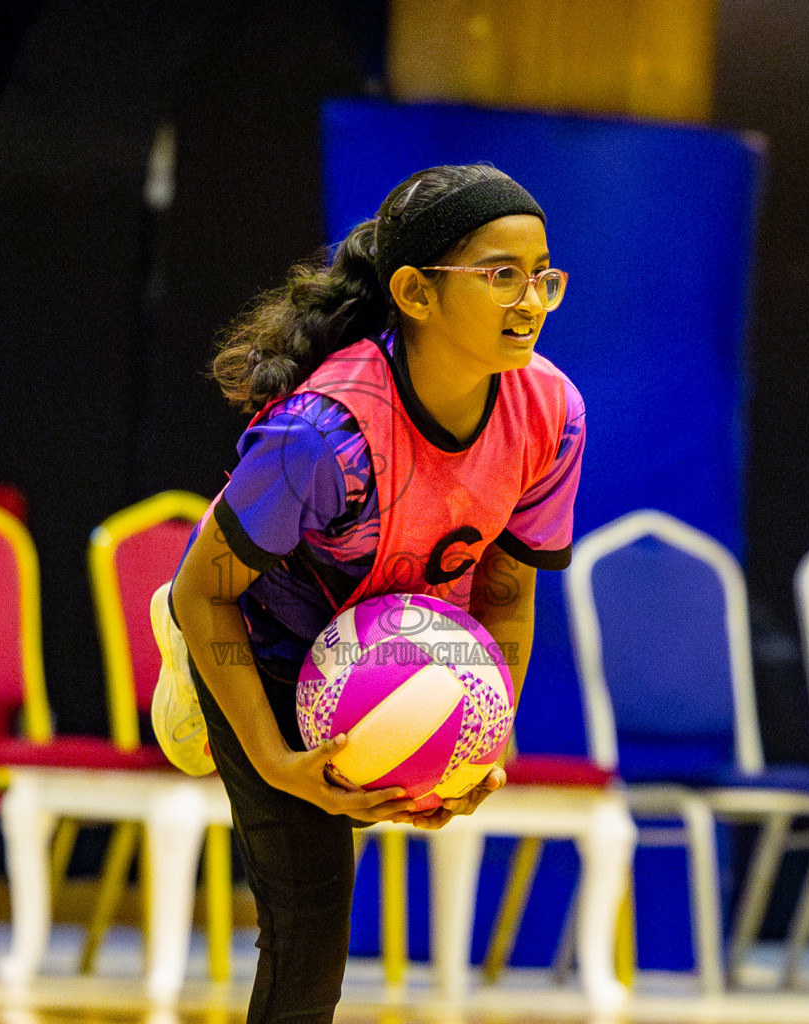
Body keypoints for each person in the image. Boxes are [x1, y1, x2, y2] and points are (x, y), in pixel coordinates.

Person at [150, 163, 584, 1023]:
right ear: (416, 293)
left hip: (394, 649)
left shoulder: (554, 414)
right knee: (309, 921)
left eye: (544, 277)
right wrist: (279, 763)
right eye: (502, 275)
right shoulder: (322, 433)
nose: (530, 299)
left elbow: (506, 595)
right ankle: (190, 678)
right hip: (259, 635)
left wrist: (481, 744)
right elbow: (210, 592)